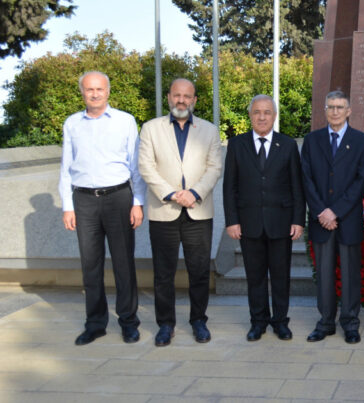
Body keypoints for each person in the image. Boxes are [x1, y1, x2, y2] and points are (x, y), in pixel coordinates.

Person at [59, 71, 146, 345]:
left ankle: (129, 322)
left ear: (108, 91)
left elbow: (137, 167)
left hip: (119, 197)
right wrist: (67, 206)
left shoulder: (125, 121)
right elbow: (65, 167)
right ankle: (95, 323)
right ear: (82, 93)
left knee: (123, 263)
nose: (94, 94)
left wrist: (138, 202)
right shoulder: (72, 124)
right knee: (90, 265)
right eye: (88, 89)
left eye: (99, 89)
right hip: (83, 200)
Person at [138, 78, 222, 346]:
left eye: (187, 96)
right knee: (164, 273)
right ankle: (166, 324)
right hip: (164, 210)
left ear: (195, 100)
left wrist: (194, 193)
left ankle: (198, 321)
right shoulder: (151, 129)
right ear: (169, 97)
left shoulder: (209, 130)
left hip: (198, 211)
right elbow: (146, 167)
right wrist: (173, 194)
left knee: (199, 271)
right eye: (177, 95)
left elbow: (214, 168)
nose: (181, 100)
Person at [223, 94, 305, 342]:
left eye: (267, 112)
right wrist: (232, 220)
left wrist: (298, 220)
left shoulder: (288, 144)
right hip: (249, 224)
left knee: (281, 277)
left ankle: (280, 322)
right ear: (250, 115)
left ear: (274, 115)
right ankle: (258, 322)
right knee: (255, 276)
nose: (261, 116)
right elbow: (230, 186)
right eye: (257, 112)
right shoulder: (237, 145)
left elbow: (296, 186)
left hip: (281, 223)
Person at [301, 91, 364, 344]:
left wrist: (336, 211)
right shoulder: (312, 141)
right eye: (330, 106)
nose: (335, 111)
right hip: (321, 219)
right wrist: (322, 211)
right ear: (325, 109)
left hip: (348, 219)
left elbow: (360, 181)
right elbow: (306, 179)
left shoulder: (363, 142)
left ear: (349, 111)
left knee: (351, 274)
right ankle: (326, 322)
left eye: (340, 107)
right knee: (324, 274)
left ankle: (351, 323)